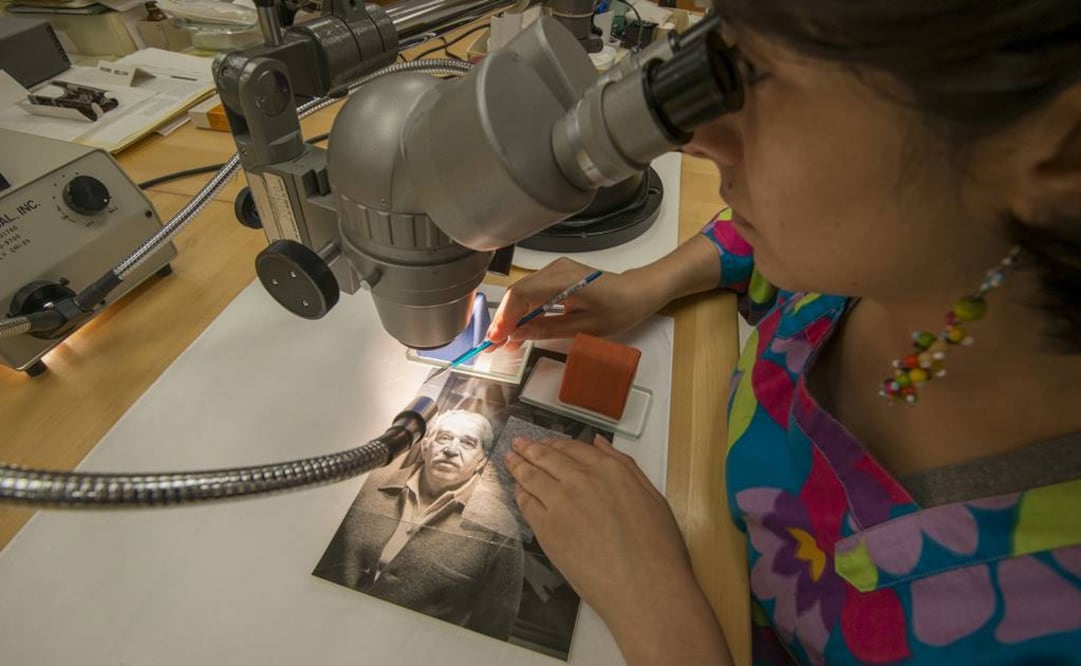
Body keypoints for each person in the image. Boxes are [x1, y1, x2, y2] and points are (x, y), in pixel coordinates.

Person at [491, 2, 1081, 664]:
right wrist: (647, 284)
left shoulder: (1040, 620)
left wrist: (658, 612)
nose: (696, 138)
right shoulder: (866, 264)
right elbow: (766, 234)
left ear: (1058, 152)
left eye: (765, 78)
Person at [314, 410, 524, 640]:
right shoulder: (369, 484)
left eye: (467, 443)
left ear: (481, 460)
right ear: (425, 446)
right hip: (323, 625)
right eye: (444, 437)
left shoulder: (499, 526)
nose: (451, 449)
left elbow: (494, 627)